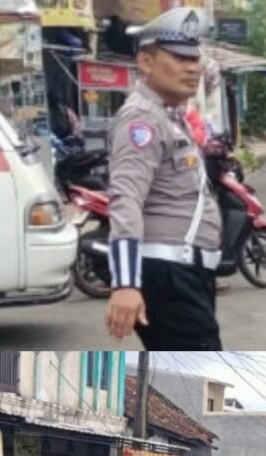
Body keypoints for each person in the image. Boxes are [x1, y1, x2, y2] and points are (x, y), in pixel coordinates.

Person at [106, 7, 223, 351]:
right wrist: (125, 283)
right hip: (168, 274)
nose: (192, 67)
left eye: (194, 58)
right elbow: (126, 197)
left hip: (185, 272)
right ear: (145, 62)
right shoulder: (141, 120)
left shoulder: (168, 116)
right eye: (178, 57)